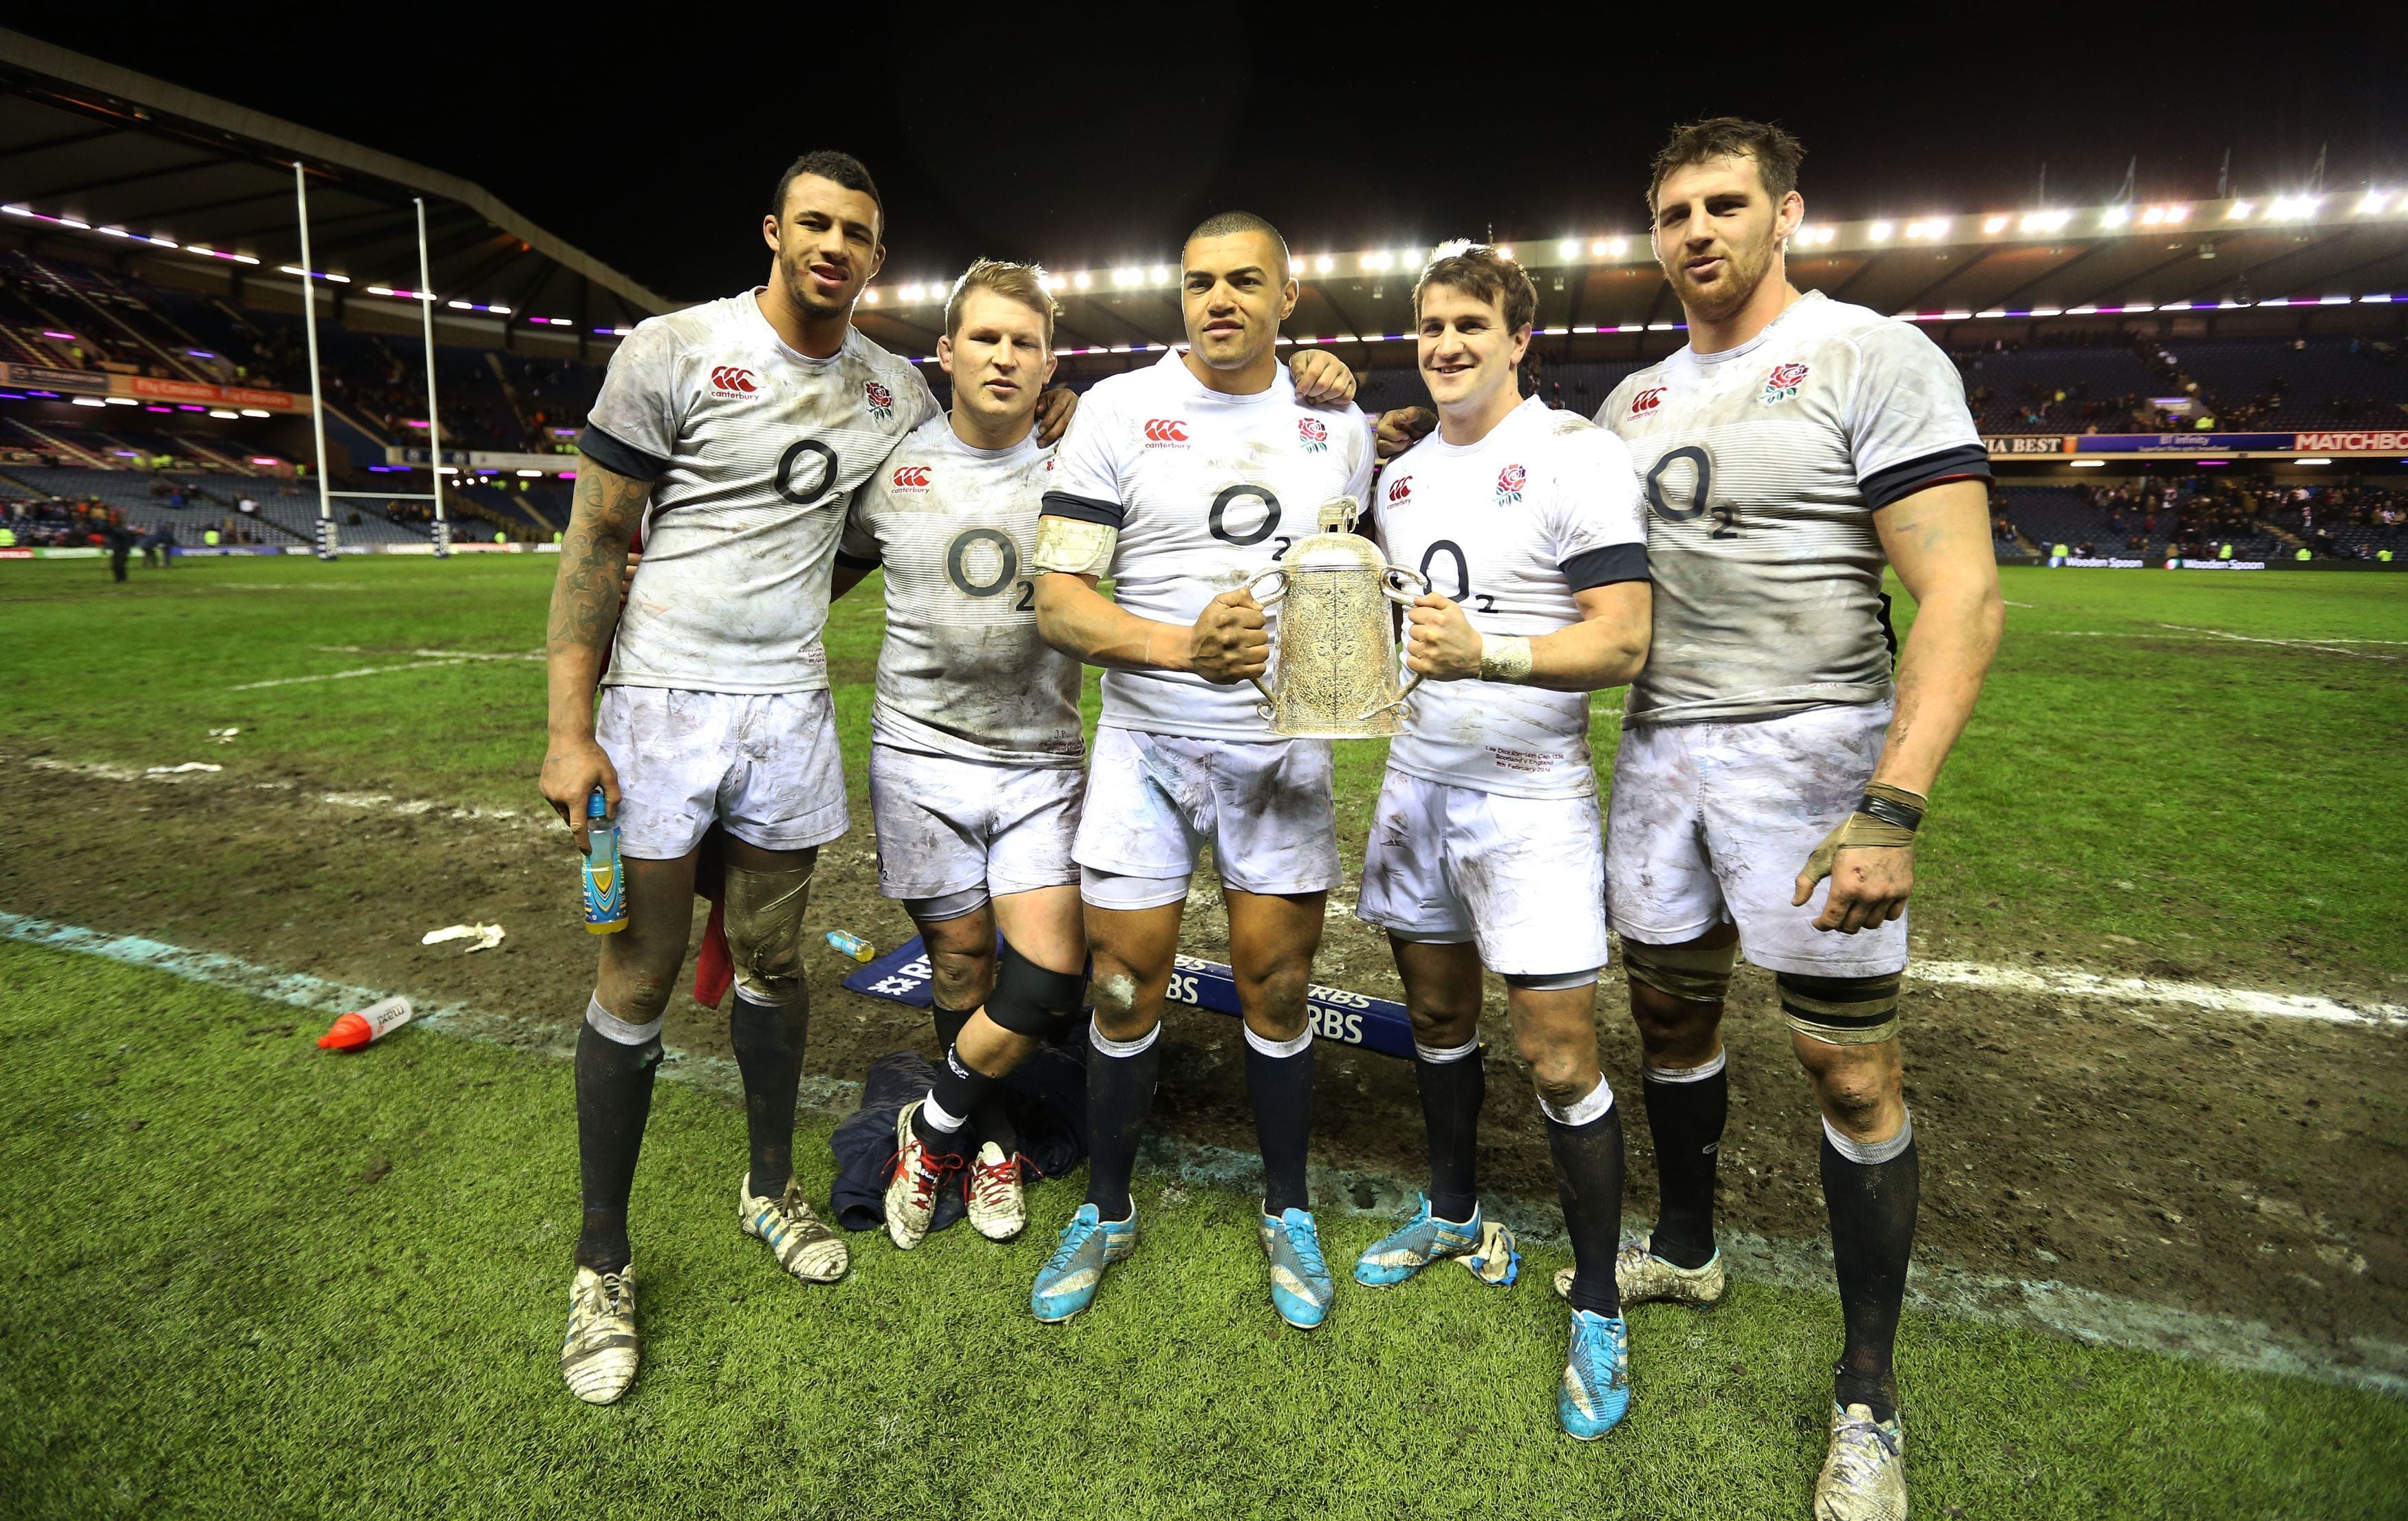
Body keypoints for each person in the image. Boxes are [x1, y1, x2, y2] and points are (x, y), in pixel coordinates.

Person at [537, 150, 1075, 1407]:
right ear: (773, 230)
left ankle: (769, 1190)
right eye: (815, 224)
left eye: (859, 234)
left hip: (785, 717)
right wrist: (573, 731)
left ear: (878, 261)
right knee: (640, 974)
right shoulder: (672, 350)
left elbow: (947, 475)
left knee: (775, 967)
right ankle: (601, 1259)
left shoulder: (892, 389)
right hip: (658, 710)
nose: (834, 246)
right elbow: (596, 539)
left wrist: (1059, 410)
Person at [1585, 120, 1999, 1518]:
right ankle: (1689, 1242)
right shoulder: (1630, 403)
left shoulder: (1868, 355)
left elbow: (1960, 592)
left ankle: (1866, 1393)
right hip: (1656, 757)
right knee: (1668, 1020)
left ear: (1786, 214)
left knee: (1848, 1072)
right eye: (1673, 213)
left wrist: (1892, 801)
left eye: (1724, 204)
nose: (1697, 230)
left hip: (1812, 757)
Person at [852, 260, 1379, 1250]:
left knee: (1062, 973)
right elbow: (820, 562)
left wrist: (1342, 388)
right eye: (987, 338)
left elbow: (1354, 526)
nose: (1004, 357)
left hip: (1049, 752)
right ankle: (989, 1142)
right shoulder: (899, 459)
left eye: (1024, 342)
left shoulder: (1083, 430)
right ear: (946, 352)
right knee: (967, 960)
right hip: (920, 749)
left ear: (1052, 362)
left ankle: (953, 1123)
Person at [1027, 210, 1375, 1330]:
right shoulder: (1118, 412)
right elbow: (1060, 602)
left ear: (1289, 292)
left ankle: (1287, 1208)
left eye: (1243, 281)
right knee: (1122, 987)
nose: (1217, 300)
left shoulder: (1341, 425)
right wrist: (1185, 648)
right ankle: (1110, 1207)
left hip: (1279, 753)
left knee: (1278, 985)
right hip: (1145, 744)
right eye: (1197, 283)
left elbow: (1340, 596)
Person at [1347, 244, 1651, 1441]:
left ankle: (1597, 1304)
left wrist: (1497, 654)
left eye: (1471, 322)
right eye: (1429, 325)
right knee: (1434, 1018)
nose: (1446, 342)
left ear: (1519, 338)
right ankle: (1458, 1213)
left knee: (1560, 1056)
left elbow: (1622, 641)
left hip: (1529, 795)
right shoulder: (1406, 477)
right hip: (1420, 779)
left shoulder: (1577, 456)